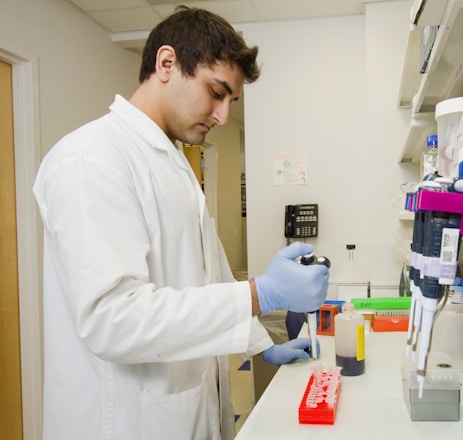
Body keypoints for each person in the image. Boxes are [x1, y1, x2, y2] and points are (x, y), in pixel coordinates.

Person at [32, 6, 329, 440]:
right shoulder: (91, 159)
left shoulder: (174, 164)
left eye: (231, 100)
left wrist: (262, 345)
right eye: (216, 92)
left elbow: (206, 277)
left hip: (185, 411)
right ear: (167, 63)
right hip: (123, 423)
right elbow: (113, 319)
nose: (223, 115)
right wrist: (259, 293)